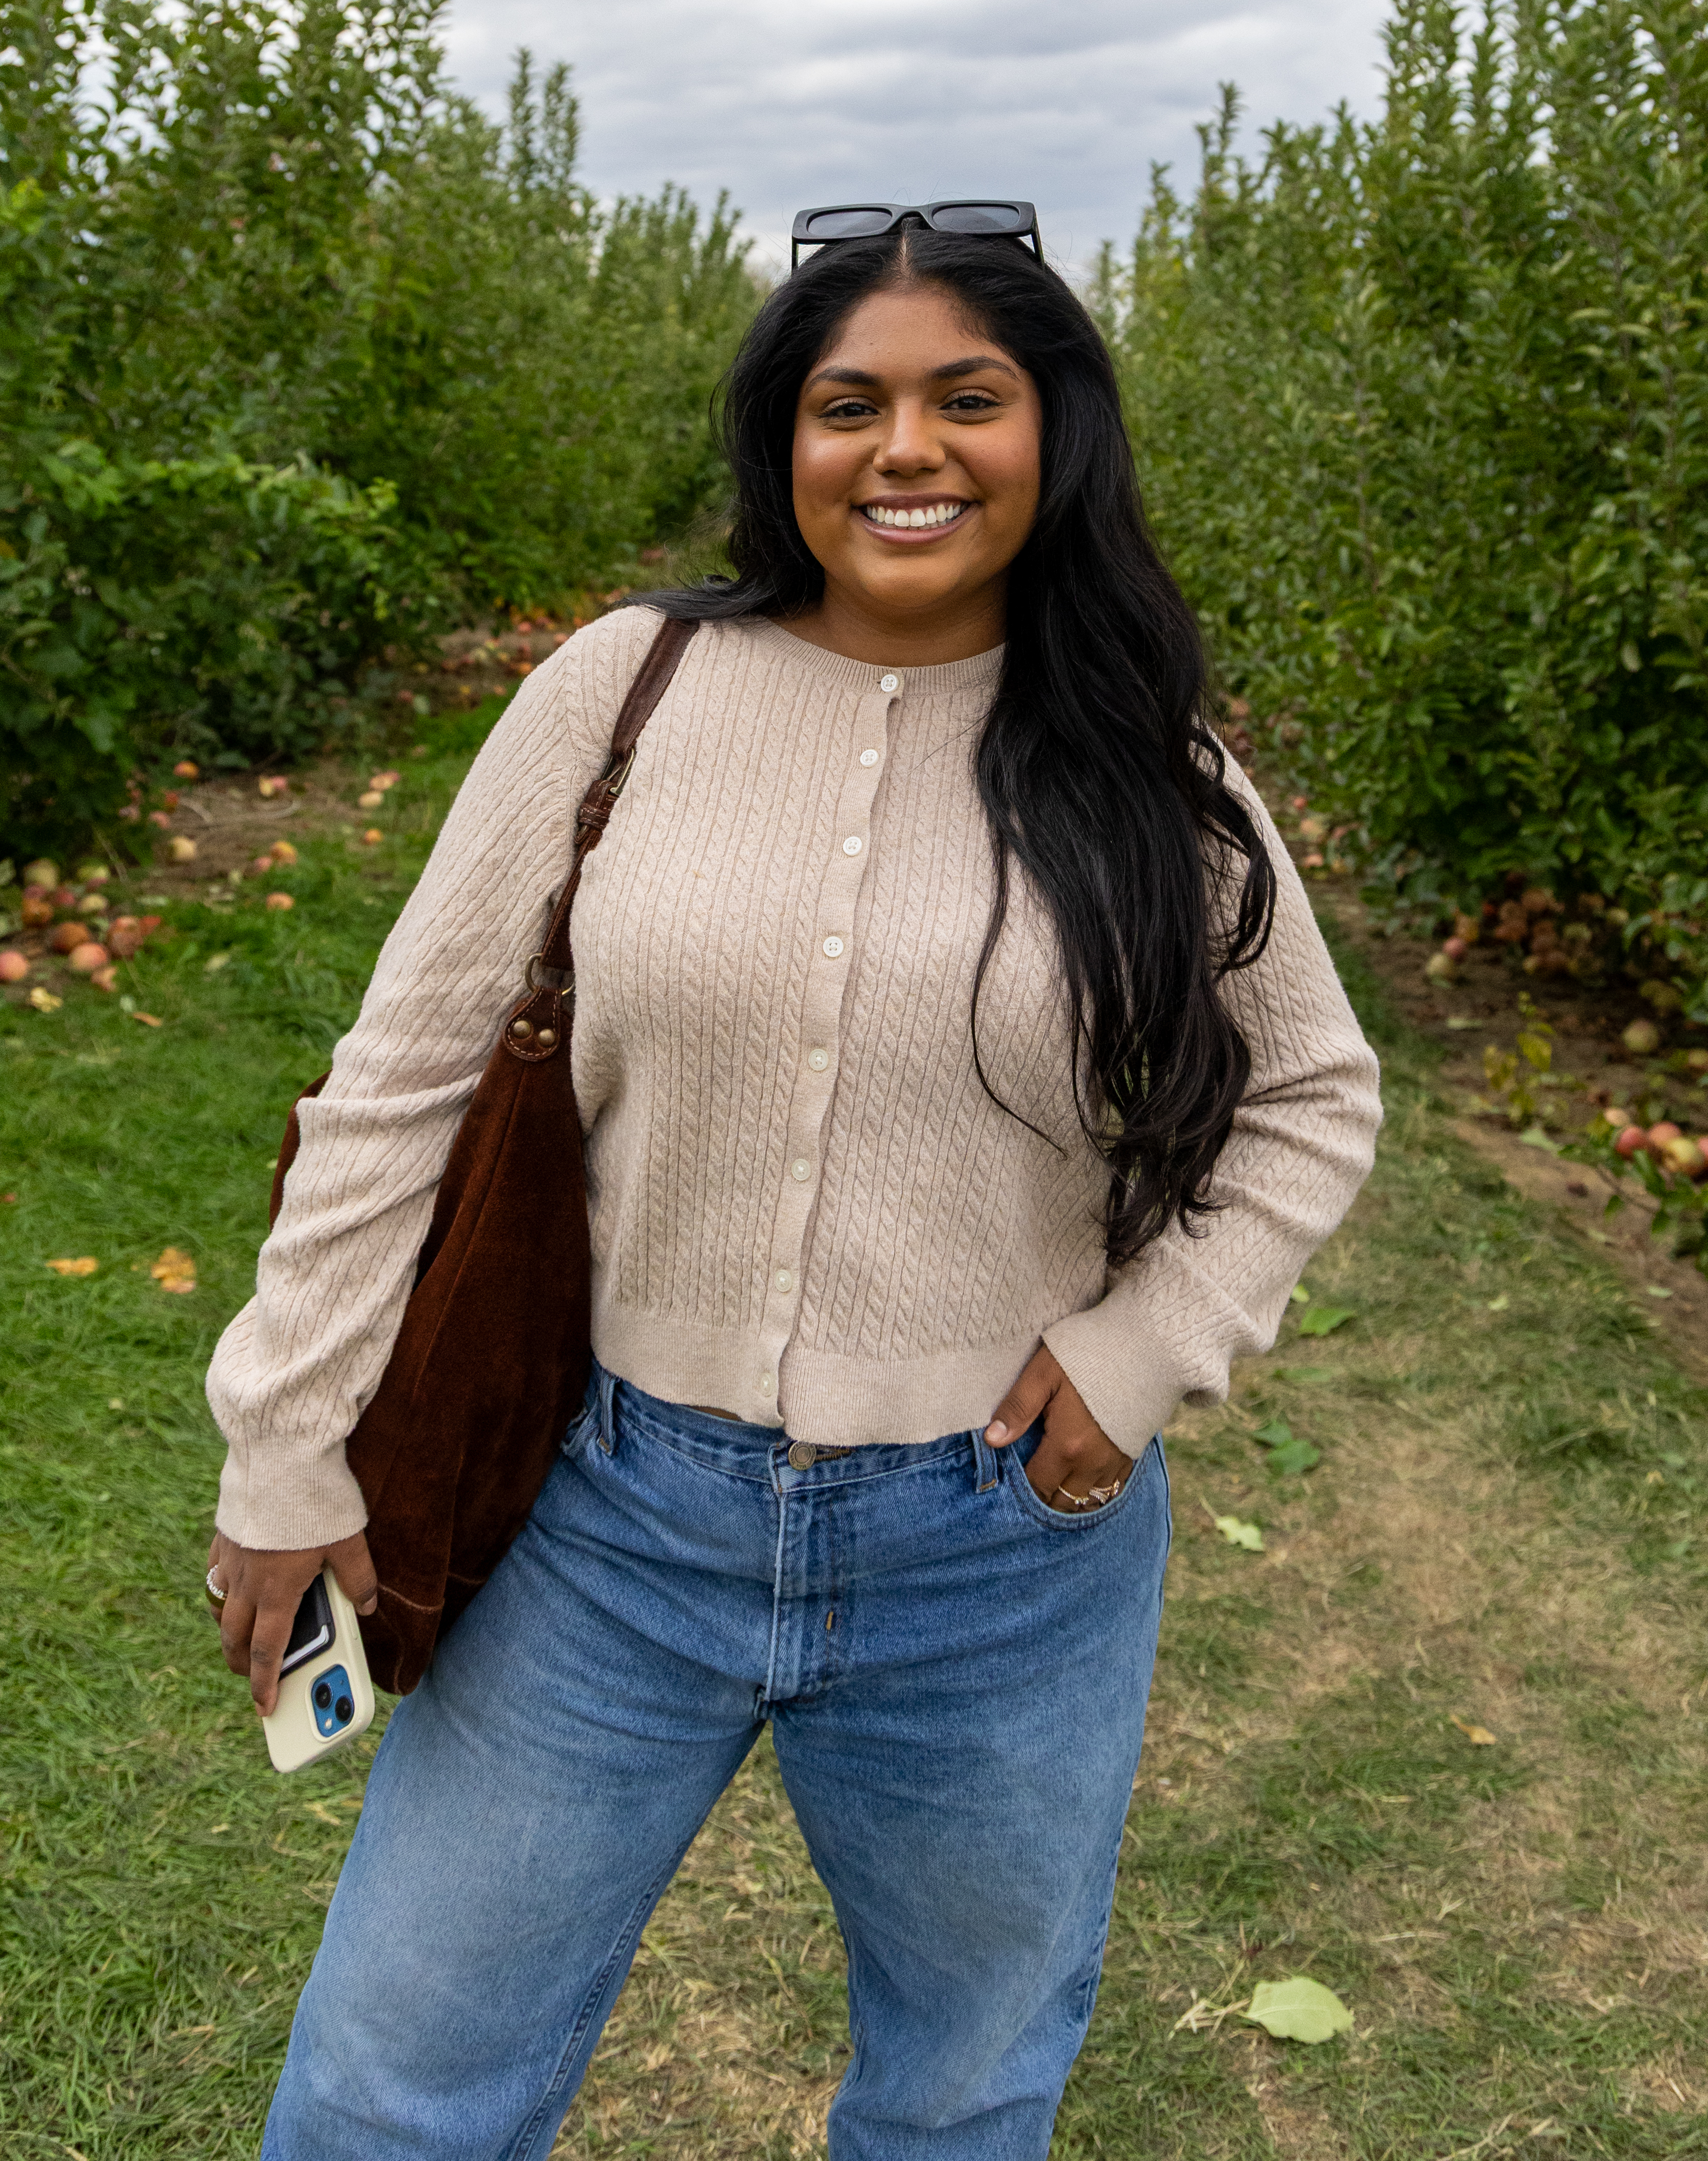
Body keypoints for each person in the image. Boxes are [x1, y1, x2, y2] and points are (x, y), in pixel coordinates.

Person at [205, 203, 1381, 2160]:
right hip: (612, 1514)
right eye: (852, 403)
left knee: (962, 2089)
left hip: (1000, 1552)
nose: (906, 448)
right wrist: (285, 1436)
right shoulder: (623, 690)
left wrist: (1149, 1341)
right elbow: (400, 1080)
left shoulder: (1140, 761)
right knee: (392, 2080)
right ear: (786, 441)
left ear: (1051, 429)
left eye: (965, 399)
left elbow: (1316, 1092)